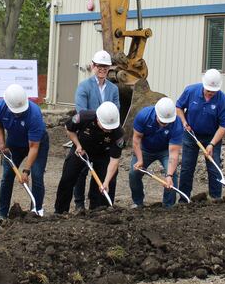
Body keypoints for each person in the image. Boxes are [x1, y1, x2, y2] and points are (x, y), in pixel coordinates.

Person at [72, 50, 120, 210]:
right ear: (93, 66)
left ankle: (96, 204)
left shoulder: (113, 89)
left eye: (105, 67)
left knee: (102, 169)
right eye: (99, 66)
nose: (102, 69)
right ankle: (79, 204)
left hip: (105, 137)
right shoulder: (84, 87)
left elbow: (116, 110)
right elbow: (81, 111)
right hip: (86, 135)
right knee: (80, 171)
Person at [55, 101, 123, 213]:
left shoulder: (118, 132)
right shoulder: (84, 117)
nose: (108, 130)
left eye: (110, 128)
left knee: (107, 182)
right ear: (97, 118)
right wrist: (77, 144)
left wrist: (106, 182)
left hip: (104, 154)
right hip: (82, 149)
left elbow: (114, 161)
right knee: (68, 177)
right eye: (105, 127)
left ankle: (99, 211)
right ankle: (60, 212)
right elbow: (69, 129)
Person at [0, 84, 49, 218]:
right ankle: (2, 214)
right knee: (7, 176)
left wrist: (26, 171)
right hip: (13, 143)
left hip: (37, 144)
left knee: (36, 176)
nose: (18, 113)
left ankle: (36, 211)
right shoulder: (0, 106)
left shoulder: (34, 114)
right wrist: (2, 143)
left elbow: (34, 147)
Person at [175, 69, 225, 201]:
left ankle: (215, 197)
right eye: (208, 90)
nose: (210, 93)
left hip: (212, 137)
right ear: (203, 85)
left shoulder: (223, 101)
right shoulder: (190, 91)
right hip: (191, 134)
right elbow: (178, 107)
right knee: (187, 167)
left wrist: (212, 144)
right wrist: (183, 122)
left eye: (213, 91)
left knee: (214, 167)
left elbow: (223, 127)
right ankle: (184, 198)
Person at [128, 97, 183, 208]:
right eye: (162, 121)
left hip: (165, 151)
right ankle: (138, 202)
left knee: (172, 176)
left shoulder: (177, 124)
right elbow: (136, 139)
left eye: (167, 122)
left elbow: (173, 152)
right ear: (156, 113)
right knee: (133, 173)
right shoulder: (144, 115)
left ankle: (168, 205)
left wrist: (169, 175)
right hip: (145, 149)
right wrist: (139, 160)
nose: (164, 124)